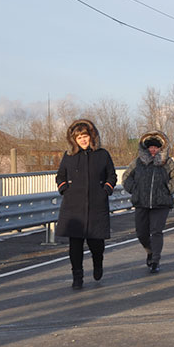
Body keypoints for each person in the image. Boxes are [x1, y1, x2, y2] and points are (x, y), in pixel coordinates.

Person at [55, 119, 116, 290]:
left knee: (96, 244)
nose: (82, 140)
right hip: (74, 207)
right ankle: (77, 275)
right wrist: (65, 189)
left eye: (85, 136)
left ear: (91, 137)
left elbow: (112, 176)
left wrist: (105, 190)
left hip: (97, 206)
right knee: (75, 245)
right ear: (73, 139)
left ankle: (98, 263)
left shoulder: (102, 154)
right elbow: (60, 176)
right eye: (79, 137)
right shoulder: (69, 156)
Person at [122, 131, 174, 274]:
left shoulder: (167, 162)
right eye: (150, 147)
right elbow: (126, 177)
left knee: (156, 231)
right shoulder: (138, 162)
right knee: (141, 232)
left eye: (156, 147)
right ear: (146, 148)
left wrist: (167, 189)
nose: (153, 150)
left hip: (160, 203)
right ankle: (149, 251)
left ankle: (155, 260)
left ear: (161, 148)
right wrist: (135, 189)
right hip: (141, 202)